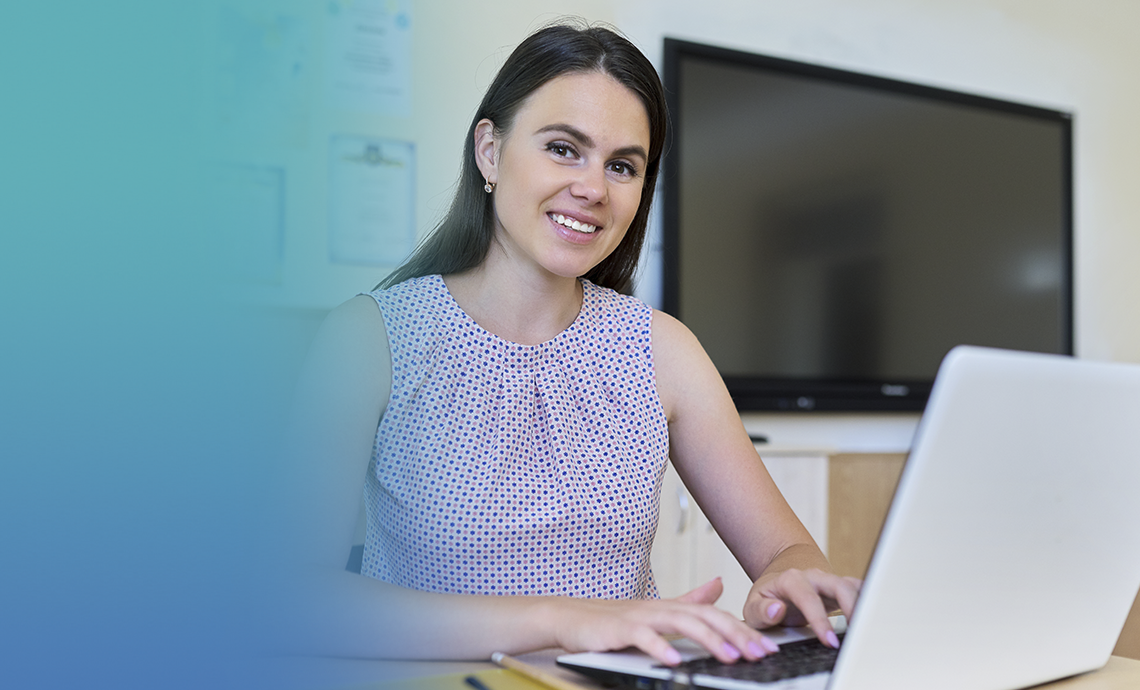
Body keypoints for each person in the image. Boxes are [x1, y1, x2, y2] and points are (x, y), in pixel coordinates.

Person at [289, 20, 860, 666]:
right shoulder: (370, 338)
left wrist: (792, 577)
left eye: (622, 165)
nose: (593, 188)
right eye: (564, 148)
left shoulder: (664, 350)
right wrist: (562, 620)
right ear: (490, 152)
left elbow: (788, 551)